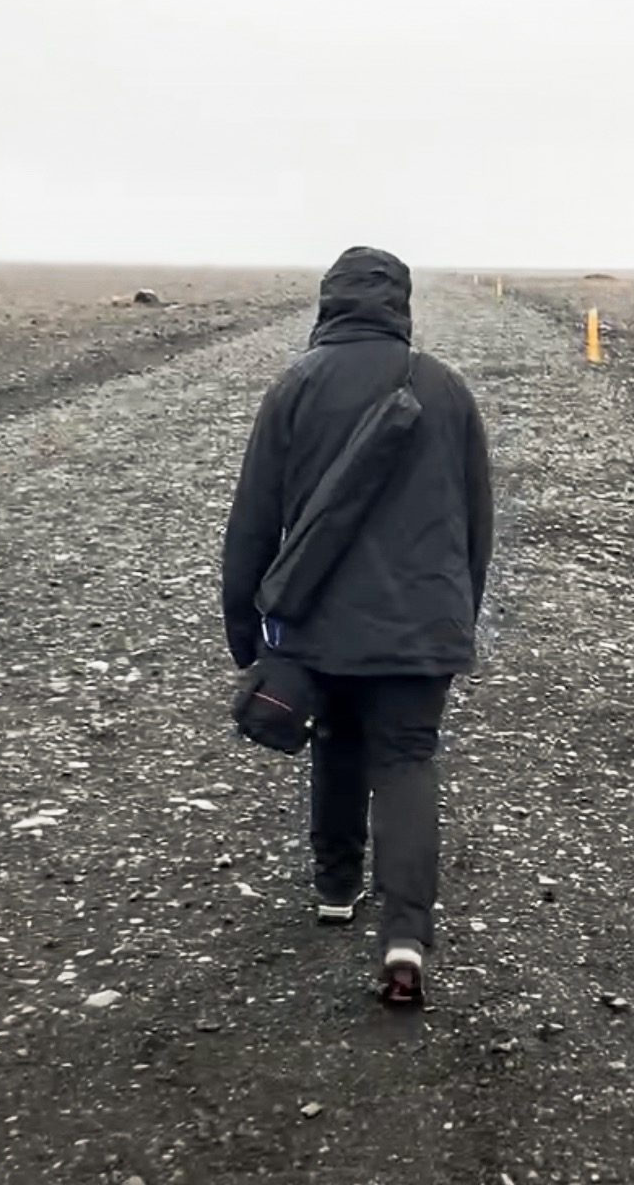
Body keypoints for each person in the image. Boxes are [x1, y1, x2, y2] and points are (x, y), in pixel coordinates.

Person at [221, 247, 493, 1003]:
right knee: (406, 759)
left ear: (328, 302)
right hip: (424, 622)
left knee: (335, 741)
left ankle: (335, 889)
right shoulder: (446, 389)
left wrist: (246, 633)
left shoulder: (296, 387)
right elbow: (478, 524)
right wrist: (454, 620)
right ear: (401, 305)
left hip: (318, 620)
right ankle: (406, 937)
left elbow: (252, 522)